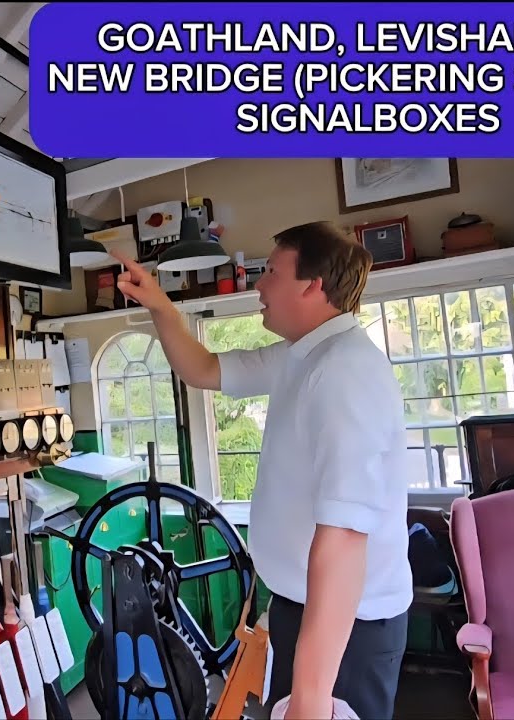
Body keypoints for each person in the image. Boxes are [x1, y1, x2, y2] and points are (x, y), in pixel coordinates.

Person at [112, 220, 413, 720]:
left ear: (312, 285)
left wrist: (313, 698)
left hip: (347, 629)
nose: (257, 283)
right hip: (306, 611)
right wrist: (160, 306)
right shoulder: (302, 356)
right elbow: (204, 369)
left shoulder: (343, 371)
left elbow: (344, 538)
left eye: (271, 271)